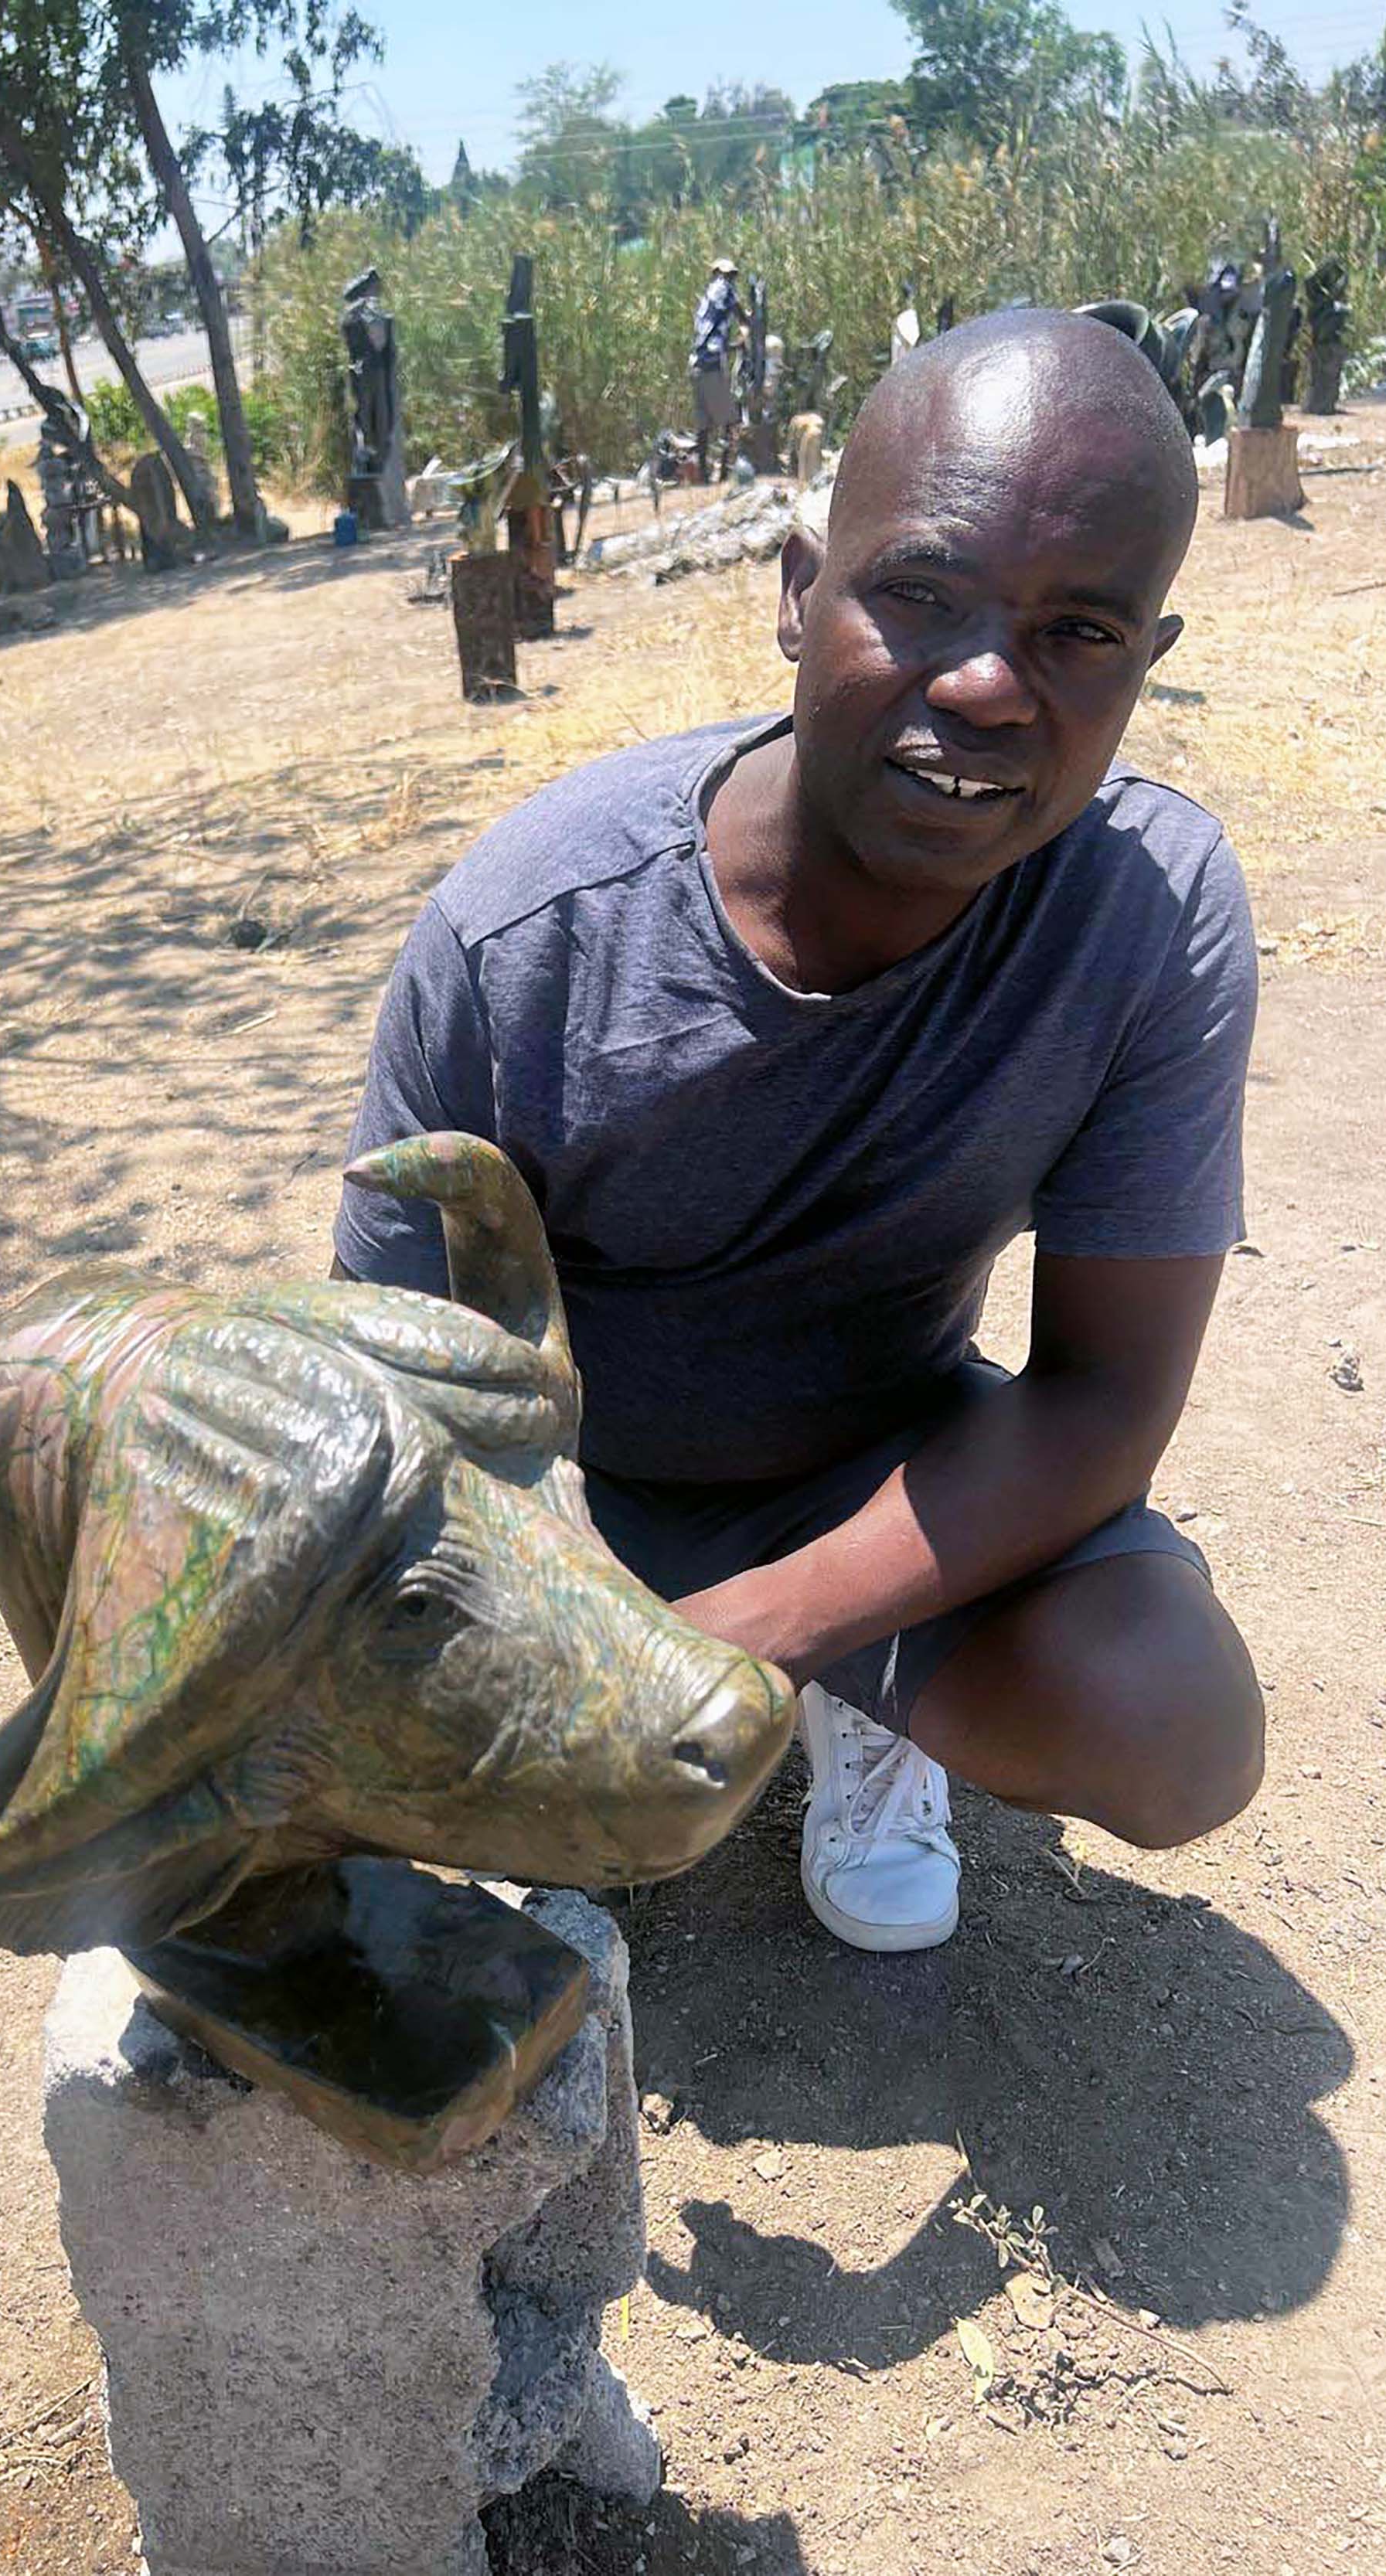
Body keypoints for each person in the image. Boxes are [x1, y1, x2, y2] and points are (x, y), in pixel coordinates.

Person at [333, 308, 1265, 1955]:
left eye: (1077, 632)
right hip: (572, 1501)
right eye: (916, 593)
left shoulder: (1144, 909)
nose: (984, 683)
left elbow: (1104, 1395)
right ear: (791, 590)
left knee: (1170, 1723)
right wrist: (544, 1634)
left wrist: (734, 1644)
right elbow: (394, 1396)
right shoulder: (525, 941)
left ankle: (862, 1693)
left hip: (884, 1474)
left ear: (1146, 659)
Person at [690, 256, 748, 482]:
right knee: (730, 420)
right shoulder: (724, 289)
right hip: (712, 365)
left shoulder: (706, 299)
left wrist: (732, 346)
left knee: (703, 425)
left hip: (696, 364)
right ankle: (724, 473)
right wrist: (747, 330)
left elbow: (709, 337)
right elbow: (742, 316)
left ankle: (704, 475)